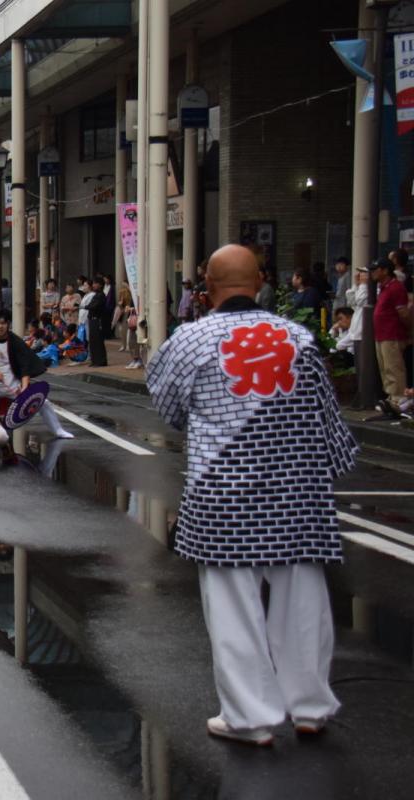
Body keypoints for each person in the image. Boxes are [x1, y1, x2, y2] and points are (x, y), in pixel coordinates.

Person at [146, 243, 358, 746]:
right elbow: (329, 423)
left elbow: (169, 408)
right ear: (260, 279)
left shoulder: (191, 340)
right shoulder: (300, 338)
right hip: (297, 491)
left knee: (232, 604)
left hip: (224, 492)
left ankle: (251, 717)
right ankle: (309, 707)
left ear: (208, 285)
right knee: (303, 599)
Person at [0, 308, 73, 439]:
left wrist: (24, 388)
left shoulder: (16, 341)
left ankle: (58, 430)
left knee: (43, 402)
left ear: (8, 324)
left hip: (13, 384)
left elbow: (25, 366)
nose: (0, 326)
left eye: (3, 323)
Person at [373, 258, 411, 418]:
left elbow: (404, 313)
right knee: (385, 368)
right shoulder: (384, 288)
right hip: (382, 334)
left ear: (385, 270)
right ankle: (390, 398)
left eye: (376, 269)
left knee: (394, 368)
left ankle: (398, 401)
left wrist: (410, 331)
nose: (373, 273)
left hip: (392, 334)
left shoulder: (396, 288)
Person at [82, 276, 108, 366]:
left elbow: (93, 306)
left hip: (97, 320)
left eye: (95, 283)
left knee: (98, 341)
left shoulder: (101, 295)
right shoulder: (96, 295)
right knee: (92, 341)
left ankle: (101, 361)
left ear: (100, 285)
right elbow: (90, 304)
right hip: (92, 319)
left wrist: (85, 307)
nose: (93, 285)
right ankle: (94, 360)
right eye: (93, 283)